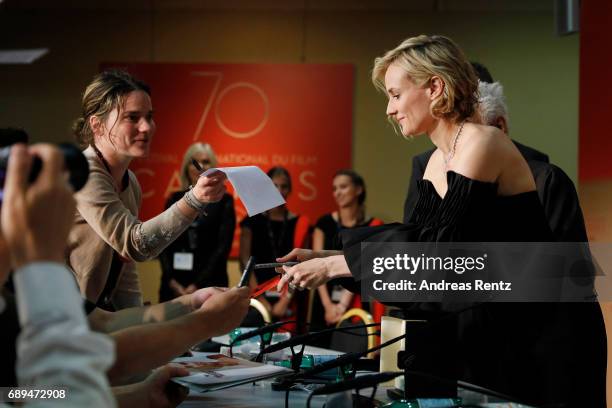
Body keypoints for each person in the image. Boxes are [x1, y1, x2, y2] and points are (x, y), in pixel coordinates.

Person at [277, 35, 606, 407]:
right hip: (504, 333)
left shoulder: (482, 142)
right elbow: (419, 250)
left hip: (547, 340)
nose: (389, 109)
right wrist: (327, 259)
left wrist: (337, 263)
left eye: (396, 94)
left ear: (435, 87)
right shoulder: (435, 160)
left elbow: (442, 257)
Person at [69, 69, 227, 310]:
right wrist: (194, 200)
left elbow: (126, 267)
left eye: (149, 116)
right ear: (97, 125)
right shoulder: (86, 173)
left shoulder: (130, 181)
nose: (147, 127)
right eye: (132, 117)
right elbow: (136, 244)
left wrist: (135, 320)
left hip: (91, 315)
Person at [310, 169, 383, 338]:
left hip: (355, 300)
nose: (337, 193)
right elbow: (316, 263)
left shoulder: (373, 225)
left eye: (343, 187)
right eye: (334, 189)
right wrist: (328, 305)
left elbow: (363, 265)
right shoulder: (324, 223)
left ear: (358, 190)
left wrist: (342, 305)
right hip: (324, 299)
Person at [159, 142, 235, 301]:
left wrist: (196, 285)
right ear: (186, 167)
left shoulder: (224, 201)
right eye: (194, 162)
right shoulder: (173, 199)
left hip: (210, 285)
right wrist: (172, 282)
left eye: (206, 162)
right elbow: (163, 244)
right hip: (174, 285)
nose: (199, 166)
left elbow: (222, 248)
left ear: (213, 167)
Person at [239, 166, 310, 328]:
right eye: (274, 185)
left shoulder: (299, 223)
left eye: (284, 186)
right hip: (256, 298)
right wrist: (260, 299)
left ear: (290, 189)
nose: (279, 190)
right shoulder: (251, 222)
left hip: (288, 299)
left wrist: (285, 300)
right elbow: (245, 262)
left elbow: (302, 264)